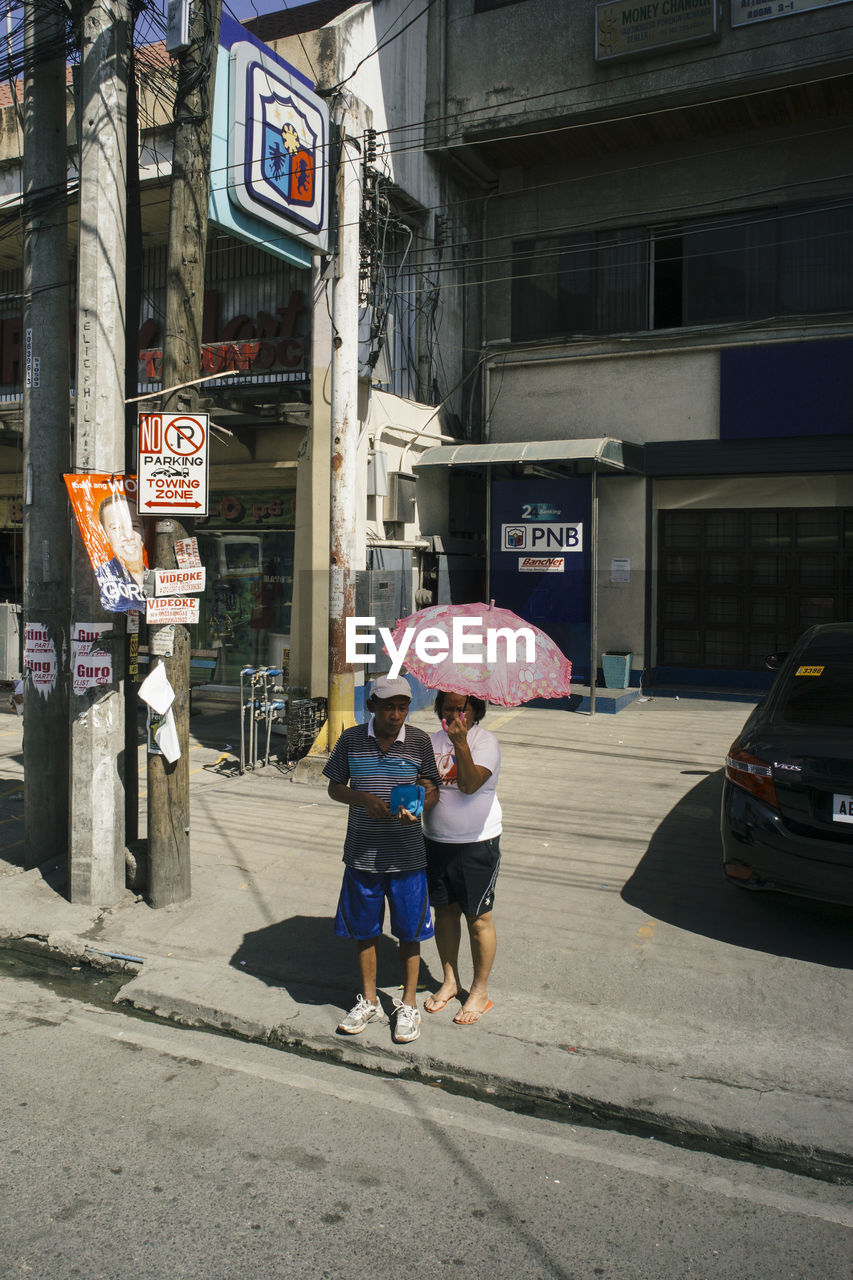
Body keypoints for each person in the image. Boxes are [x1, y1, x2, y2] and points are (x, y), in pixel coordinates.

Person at [323, 674, 441, 1044]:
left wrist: (420, 806)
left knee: (409, 933)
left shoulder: (419, 741)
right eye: (388, 707)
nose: (396, 714)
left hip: (408, 857)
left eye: (402, 707)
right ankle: (370, 1000)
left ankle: (407, 1004)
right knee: (365, 931)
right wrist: (364, 800)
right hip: (362, 856)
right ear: (372, 706)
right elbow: (334, 787)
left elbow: (432, 787)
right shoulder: (351, 740)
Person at [421, 690, 502, 1025]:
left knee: (478, 918)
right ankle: (449, 981)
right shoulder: (429, 742)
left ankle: (479, 991)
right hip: (436, 840)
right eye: (448, 709)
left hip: (476, 843)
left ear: (475, 710)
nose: (454, 716)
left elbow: (469, 785)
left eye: (461, 710)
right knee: (445, 913)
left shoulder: (486, 743)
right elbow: (424, 785)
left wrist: (461, 745)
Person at [98, 494, 147, 590]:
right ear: (106, 535)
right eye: (116, 528)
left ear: (144, 531)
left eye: (134, 526)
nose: (128, 536)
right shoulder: (100, 576)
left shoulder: (158, 571)